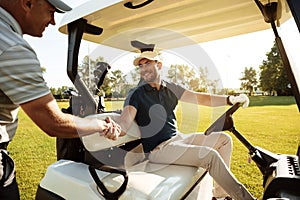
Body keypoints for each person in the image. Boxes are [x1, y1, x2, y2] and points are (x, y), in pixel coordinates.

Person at [0, 0, 121, 199]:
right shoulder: (12, 47)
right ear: (28, 3)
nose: (53, 21)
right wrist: (100, 125)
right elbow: (53, 122)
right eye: (50, 11)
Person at [108, 51, 256, 200]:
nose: (143, 68)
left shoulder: (170, 88)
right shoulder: (136, 94)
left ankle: (220, 196)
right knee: (210, 156)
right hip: (159, 149)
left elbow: (201, 99)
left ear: (159, 65)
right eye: (140, 66)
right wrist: (116, 128)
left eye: (147, 63)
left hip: (178, 138)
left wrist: (230, 99)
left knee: (224, 140)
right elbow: (125, 121)